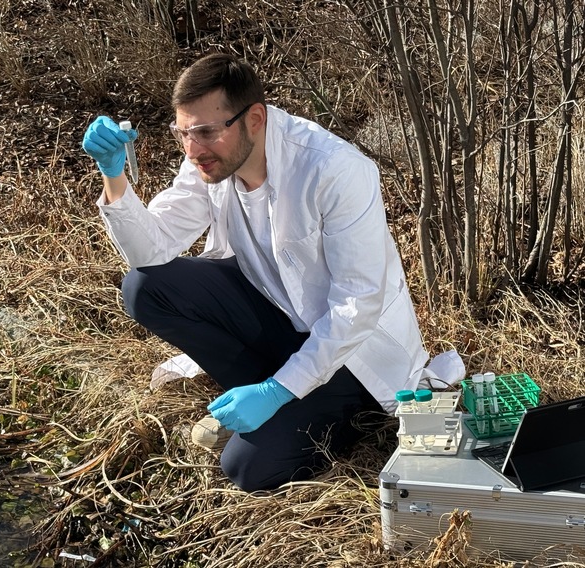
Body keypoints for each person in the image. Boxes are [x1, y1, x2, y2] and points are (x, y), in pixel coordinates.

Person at [82, 53, 429, 492]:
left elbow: (356, 306)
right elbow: (151, 250)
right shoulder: (211, 159)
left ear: (255, 120)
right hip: (278, 315)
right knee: (146, 288)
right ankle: (261, 393)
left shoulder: (334, 170)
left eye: (205, 132)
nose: (193, 150)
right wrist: (114, 177)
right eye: (183, 133)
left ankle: (339, 413)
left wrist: (279, 392)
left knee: (248, 470)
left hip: (351, 354)